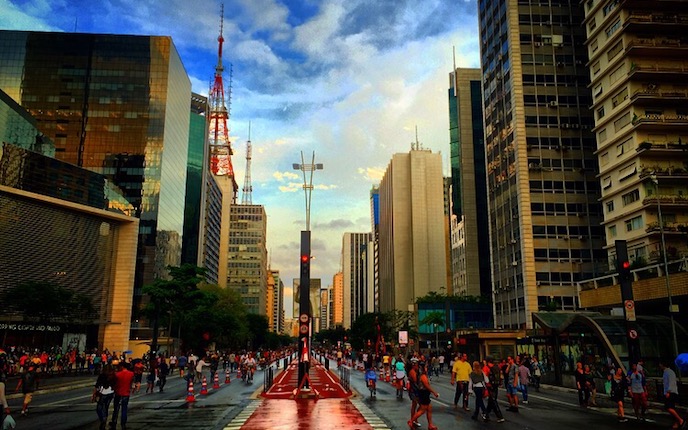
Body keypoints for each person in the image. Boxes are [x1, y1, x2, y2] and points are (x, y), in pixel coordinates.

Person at [409, 360, 439, 430]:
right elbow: (426, 385)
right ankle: (411, 421)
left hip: (424, 393)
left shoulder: (422, 375)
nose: (427, 368)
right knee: (422, 410)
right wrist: (434, 392)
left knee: (429, 409)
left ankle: (430, 425)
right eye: (425, 367)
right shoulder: (422, 376)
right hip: (423, 393)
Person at [659, 361, 685, 429]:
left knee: (669, 407)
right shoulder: (665, 372)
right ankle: (677, 422)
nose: (659, 365)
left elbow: (671, 382)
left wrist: (668, 392)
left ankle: (680, 420)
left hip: (671, 392)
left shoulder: (669, 372)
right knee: (671, 408)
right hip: (668, 392)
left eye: (660, 364)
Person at [110, 361, 135, 430]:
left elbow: (113, 383)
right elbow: (132, 383)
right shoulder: (131, 374)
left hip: (118, 393)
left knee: (116, 409)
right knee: (124, 409)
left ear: (122, 367)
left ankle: (114, 421)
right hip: (126, 393)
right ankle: (123, 423)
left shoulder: (117, 374)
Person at [93, 364, 116, 430]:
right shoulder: (113, 375)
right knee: (106, 407)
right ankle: (105, 419)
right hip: (111, 393)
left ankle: (102, 419)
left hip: (103, 393)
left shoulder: (102, 375)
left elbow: (97, 385)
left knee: (99, 408)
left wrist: (94, 394)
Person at [482, 356, 505, 423]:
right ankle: (486, 414)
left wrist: (485, 386)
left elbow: (485, 377)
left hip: (490, 385)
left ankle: (499, 416)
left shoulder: (486, 368)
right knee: (491, 400)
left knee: (493, 400)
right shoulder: (497, 367)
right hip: (496, 385)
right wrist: (500, 382)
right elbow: (501, 375)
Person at [407, 358, 421, 428]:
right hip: (414, 390)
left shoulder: (414, 371)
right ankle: (413, 419)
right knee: (421, 405)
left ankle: (414, 419)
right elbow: (416, 382)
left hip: (414, 390)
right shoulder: (413, 372)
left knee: (414, 405)